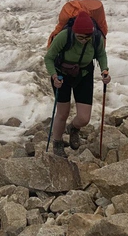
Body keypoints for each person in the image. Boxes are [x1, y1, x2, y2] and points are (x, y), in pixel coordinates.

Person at [44, 11, 111, 157]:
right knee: (63, 113)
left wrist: (105, 70)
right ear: (74, 32)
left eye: (87, 37)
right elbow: (49, 58)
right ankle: (57, 142)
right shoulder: (64, 36)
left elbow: (101, 54)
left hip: (84, 74)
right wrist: (54, 76)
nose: (84, 40)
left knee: (84, 118)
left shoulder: (96, 38)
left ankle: (73, 128)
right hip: (61, 75)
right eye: (80, 37)